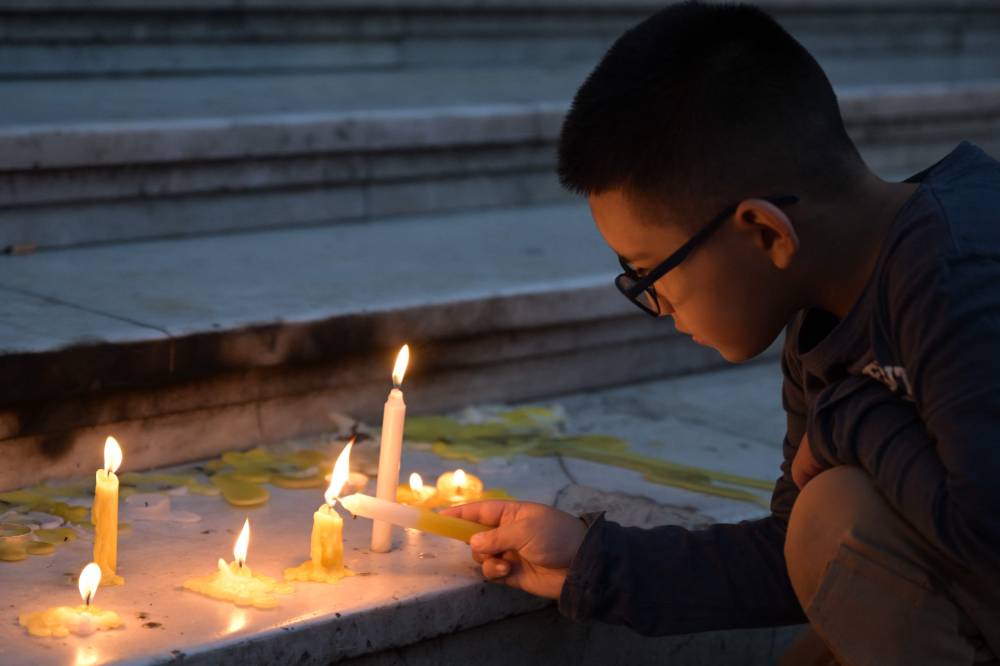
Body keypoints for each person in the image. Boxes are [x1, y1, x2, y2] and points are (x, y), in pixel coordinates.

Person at [442, 2, 1000, 663]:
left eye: (650, 274)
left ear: (764, 232)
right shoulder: (822, 318)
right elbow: (791, 557)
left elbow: (985, 530)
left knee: (834, 517)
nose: (656, 304)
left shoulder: (961, 268)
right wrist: (593, 559)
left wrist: (849, 417)